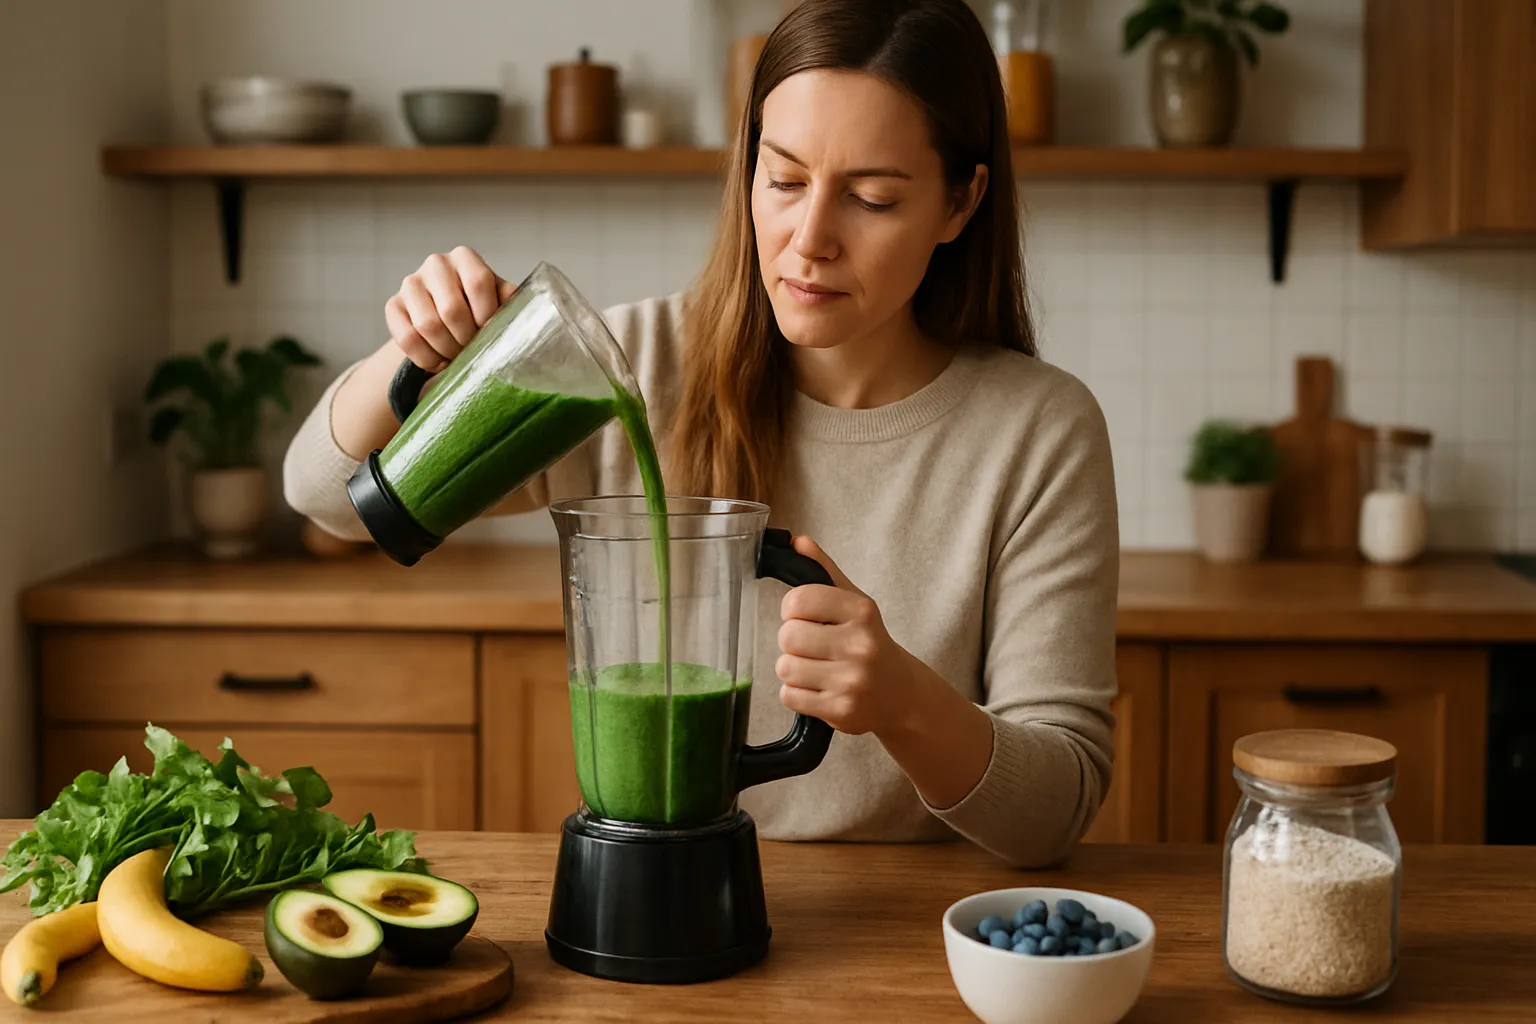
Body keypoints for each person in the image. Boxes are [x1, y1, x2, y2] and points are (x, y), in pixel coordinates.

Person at [284, 0, 1117, 867]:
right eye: (784, 179)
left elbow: (1055, 812)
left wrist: (906, 701)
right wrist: (414, 353)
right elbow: (324, 500)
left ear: (960, 202)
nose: (810, 239)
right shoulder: (625, 369)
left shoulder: (1037, 430)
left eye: (871, 198)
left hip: (906, 931)